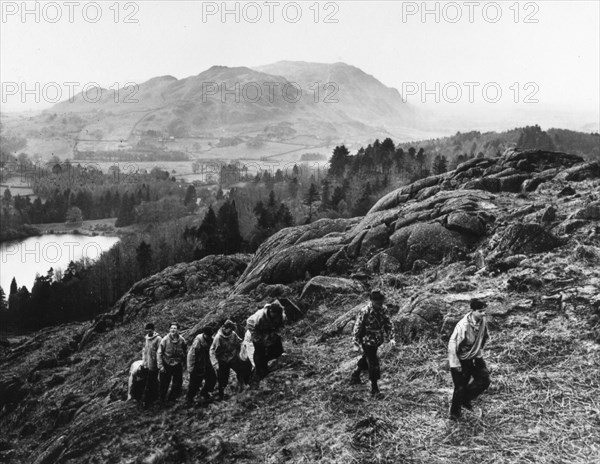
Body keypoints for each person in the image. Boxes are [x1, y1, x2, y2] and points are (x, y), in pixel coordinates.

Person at [447, 298, 491, 421]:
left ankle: (466, 399)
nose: (483, 314)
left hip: (475, 356)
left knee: (484, 380)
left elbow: (484, 336)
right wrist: (456, 365)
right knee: (460, 386)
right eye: (480, 311)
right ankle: (454, 414)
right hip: (461, 359)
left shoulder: (482, 321)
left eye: (484, 311)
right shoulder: (462, 326)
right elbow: (452, 346)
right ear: (472, 311)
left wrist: (478, 351)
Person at [351, 289, 396, 397]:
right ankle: (374, 389)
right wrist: (355, 342)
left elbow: (388, 324)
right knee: (373, 362)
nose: (380, 304)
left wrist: (391, 338)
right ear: (371, 301)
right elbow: (358, 326)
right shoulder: (365, 311)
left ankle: (356, 374)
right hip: (367, 339)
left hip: (377, 339)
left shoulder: (383, 309)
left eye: (381, 302)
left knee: (367, 357)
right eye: (377, 303)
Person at [210, 320, 252, 400]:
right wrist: (215, 364)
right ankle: (221, 396)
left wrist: (243, 345)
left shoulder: (233, 334)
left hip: (232, 357)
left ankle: (243, 386)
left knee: (241, 371)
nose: (231, 331)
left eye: (232, 329)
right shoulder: (218, 338)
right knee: (222, 379)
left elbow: (239, 341)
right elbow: (213, 352)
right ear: (225, 328)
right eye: (230, 329)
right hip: (222, 361)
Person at [246, 301, 286, 381]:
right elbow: (249, 323)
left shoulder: (282, 316)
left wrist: (276, 333)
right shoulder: (259, 316)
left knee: (276, 342)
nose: (276, 318)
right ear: (270, 311)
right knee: (259, 350)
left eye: (278, 316)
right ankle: (260, 371)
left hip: (270, 330)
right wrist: (257, 337)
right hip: (257, 330)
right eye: (275, 316)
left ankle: (279, 358)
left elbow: (282, 326)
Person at [157, 322, 187, 403]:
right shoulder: (165, 340)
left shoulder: (182, 340)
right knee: (164, 383)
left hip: (177, 364)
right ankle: (161, 399)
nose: (173, 330)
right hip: (166, 363)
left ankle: (172, 399)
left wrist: (183, 363)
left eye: (175, 328)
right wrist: (161, 366)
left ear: (178, 330)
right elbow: (159, 353)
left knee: (177, 382)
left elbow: (185, 351)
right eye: (171, 328)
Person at [187, 327, 217, 405]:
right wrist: (190, 367)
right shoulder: (197, 341)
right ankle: (189, 398)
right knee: (195, 383)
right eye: (207, 335)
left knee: (212, 379)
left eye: (210, 335)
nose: (209, 337)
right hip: (198, 364)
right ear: (204, 334)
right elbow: (191, 355)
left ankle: (204, 392)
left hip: (207, 362)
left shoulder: (212, 339)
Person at [141, 322, 160, 407]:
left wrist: (159, 364)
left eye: (150, 330)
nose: (149, 332)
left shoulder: (158, 339)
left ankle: (146, 400)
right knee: (150, 381)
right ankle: (151, 398)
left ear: (153, 329)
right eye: (147, 330)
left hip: (155, 364)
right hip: (147, 364)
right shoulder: (147, 339)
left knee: (151, 381)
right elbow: (145, 351)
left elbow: (160, 352)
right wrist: (144, 363)